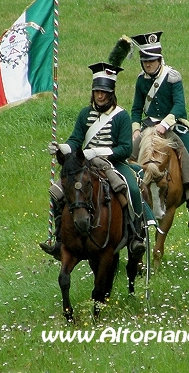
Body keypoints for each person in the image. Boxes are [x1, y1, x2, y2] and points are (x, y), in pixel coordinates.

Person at [39, 62, 146, 259]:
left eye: (104, 92)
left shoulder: (121, 116)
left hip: (112, 163)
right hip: (85, 165)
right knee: (57, 191)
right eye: (97, 91)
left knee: (130, 189)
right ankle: (59, 239)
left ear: (111, 93)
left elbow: (125, 148)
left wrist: (96, 151)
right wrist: (62, 147)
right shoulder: (84, 114)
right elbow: (75, 140)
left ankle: (136, 235)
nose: (100, 95)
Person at [129, 31, 189, 226]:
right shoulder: (141, 80)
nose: (149, 64)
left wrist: (165, 124)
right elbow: (136, 109)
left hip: (173, 125)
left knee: (188, 154)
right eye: (145, 61)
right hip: (149, 126)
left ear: (159, 59)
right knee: (128, 154)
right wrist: (136, 130)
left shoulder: (172, 77)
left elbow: (179, 105)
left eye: (152, 60)